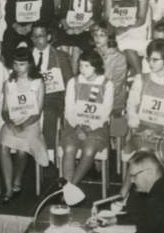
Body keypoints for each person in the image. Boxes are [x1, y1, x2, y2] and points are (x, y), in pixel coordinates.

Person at [124, 38, 164, 162]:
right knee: (143, 151)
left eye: (155, 60)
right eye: (149, 59)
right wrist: (136, 125)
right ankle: (131, 181)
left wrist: (163, 132)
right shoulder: (141, 79)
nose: (150, 63)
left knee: (157, 155)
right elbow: (131, 105)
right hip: (141, 130)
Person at [0, 47, 49, 203]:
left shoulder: (38, 82)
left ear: (30, 65)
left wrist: (24, 124)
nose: (17, 68)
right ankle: (8, 189)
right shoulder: (9, 83)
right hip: (13, 121)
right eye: (15, 64)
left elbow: (37, 112)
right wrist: (10, 123)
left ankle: (17, 181)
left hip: (30, 123)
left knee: (21, 149)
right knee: (4, 147)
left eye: (22, 64)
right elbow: (5, 110)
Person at [60, 49, 113, 185]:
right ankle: (67, 187)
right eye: (80, 65)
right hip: (75, 125)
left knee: (89, 150)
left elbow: (105, 113)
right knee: (69, 148)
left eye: (86, 66)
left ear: (96, 66)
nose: (82, 69)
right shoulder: (73, 82)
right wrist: (78, 127)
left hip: (96, 127)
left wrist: (88, 129)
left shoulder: (107, 84)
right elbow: (69, 110)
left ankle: (71, 187)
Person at [29, 23, 72, 153]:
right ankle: (27, 151)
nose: (37, 40)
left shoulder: (60, 56)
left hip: (52, 97)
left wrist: (67, 107)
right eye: (34, 36)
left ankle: (49, 154)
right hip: (30, 98)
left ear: (48, 37)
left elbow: (69, 82)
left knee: (49, 114)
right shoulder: (26, 55)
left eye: (41, 36)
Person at [55, 0, 102, 71]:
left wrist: (81, 28)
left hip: (86, 29)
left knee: (77, 48)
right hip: (70, 28)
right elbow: (62, 15)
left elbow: (95, 16)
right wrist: (67, 27)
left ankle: (74, 75)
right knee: (62, 46)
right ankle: (67, 74)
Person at [106, 0, 150, 75]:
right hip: (116, 30)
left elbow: (141, 18)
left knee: (128, 47)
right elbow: (107, 18)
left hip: (135, 30)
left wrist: (126, 28)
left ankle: (139, 75)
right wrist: (115, 29)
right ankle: (129, 75)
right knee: (116, 47)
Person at [89, 22, 129, 129]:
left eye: (102, 35)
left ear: (110, 37)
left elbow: (117, 86)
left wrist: (98, 98)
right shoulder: (90, 54)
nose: (97, 38)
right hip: (91, 97)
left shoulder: (119, 57)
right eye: (95, 35)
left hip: (111, 99)